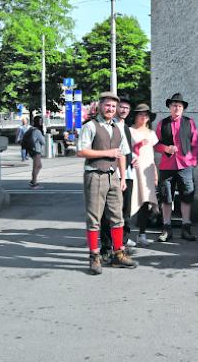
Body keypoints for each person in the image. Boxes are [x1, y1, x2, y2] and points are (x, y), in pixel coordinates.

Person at [77, 92, 137, 274]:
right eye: (107, 105)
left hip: (113, 177)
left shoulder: (117, 128)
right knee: (94, 218)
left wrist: (122, 177)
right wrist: (107, 153)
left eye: (113, 106)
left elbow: (122, 153)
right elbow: (81, 151)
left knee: (117, 216)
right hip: (95, 175)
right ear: (100, 106)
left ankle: (118, 253)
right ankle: (94, 257)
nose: (110, 109)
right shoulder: (91, 126)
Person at [155, 93, 198, 243]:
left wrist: (192, 161)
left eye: (180, 106)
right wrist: (166, 149)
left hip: (185, 165)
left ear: (183, 108)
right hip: (167, 166)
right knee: (166, 196)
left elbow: (195, 144)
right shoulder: (162, 123)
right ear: (169, 107)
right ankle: (166, 227)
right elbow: (155, 144)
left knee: (186, 196)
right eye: (174, 105)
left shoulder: (190, 122)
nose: (177, 108)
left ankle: (186, 227)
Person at [101, 95, 135, 258]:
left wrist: (132, 159)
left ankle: (122, 243)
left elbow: (126, 152)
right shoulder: (108, 126)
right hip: (109, 174)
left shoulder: (126, 128)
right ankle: (107, 247)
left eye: (127, 108)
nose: (123, 110)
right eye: (121, 107)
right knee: (108, 212)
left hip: (127, 174)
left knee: (125, 211)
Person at [129, 103, 159, 247]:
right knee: (129, 202)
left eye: (146, 115)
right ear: (135, 115)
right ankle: (125, 234)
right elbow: (127, 150)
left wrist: (155, 173)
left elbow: (152, 154)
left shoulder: (151, 134)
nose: (143, 117)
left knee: (145, 202)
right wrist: (138, 146)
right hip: (133, 170)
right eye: (140, 114)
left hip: (147, 170)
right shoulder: (130, 131)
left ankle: (142, 233)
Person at [26, 115, 45, 189]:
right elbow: (43, 142)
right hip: (36, 150)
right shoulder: (37, 131)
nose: (41, 123)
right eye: (40, 121)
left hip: (32, 149)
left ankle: (33, 181)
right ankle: (34, 183)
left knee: (39, 165)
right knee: (36, 166)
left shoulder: (31, 129)